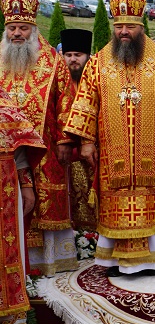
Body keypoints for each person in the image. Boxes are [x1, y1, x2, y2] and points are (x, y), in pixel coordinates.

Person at [64, 0, 155, 276]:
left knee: (153, 199)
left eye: (130, 26)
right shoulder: (98, 62)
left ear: (141, 26)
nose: (124, 32)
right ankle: (113, 260)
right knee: (114, 199)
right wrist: (86, 141)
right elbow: (86, 102)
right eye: (118, 26)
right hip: (113, 151)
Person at [0, 0, 77, 276]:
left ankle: (48, 267)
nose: (17, 33)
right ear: (6, 29)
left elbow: (67, 102)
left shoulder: (53, 61)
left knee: (44, 206)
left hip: (46, 152)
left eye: (23, 28)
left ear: (33, 28)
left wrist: (66, 141)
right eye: (12, 28)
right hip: (5, 155)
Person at [0, 90, 45, 324]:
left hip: (5, 188)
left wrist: (27, 185)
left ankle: (8, 322)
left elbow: (20, 151)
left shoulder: (4, 102)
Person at [60, 28, 97, 231]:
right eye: (68, 55)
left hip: (92, 156)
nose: (73, 60)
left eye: (78, 55)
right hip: (64, 157)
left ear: (87, 57)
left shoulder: (94, 82)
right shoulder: (58, 84)